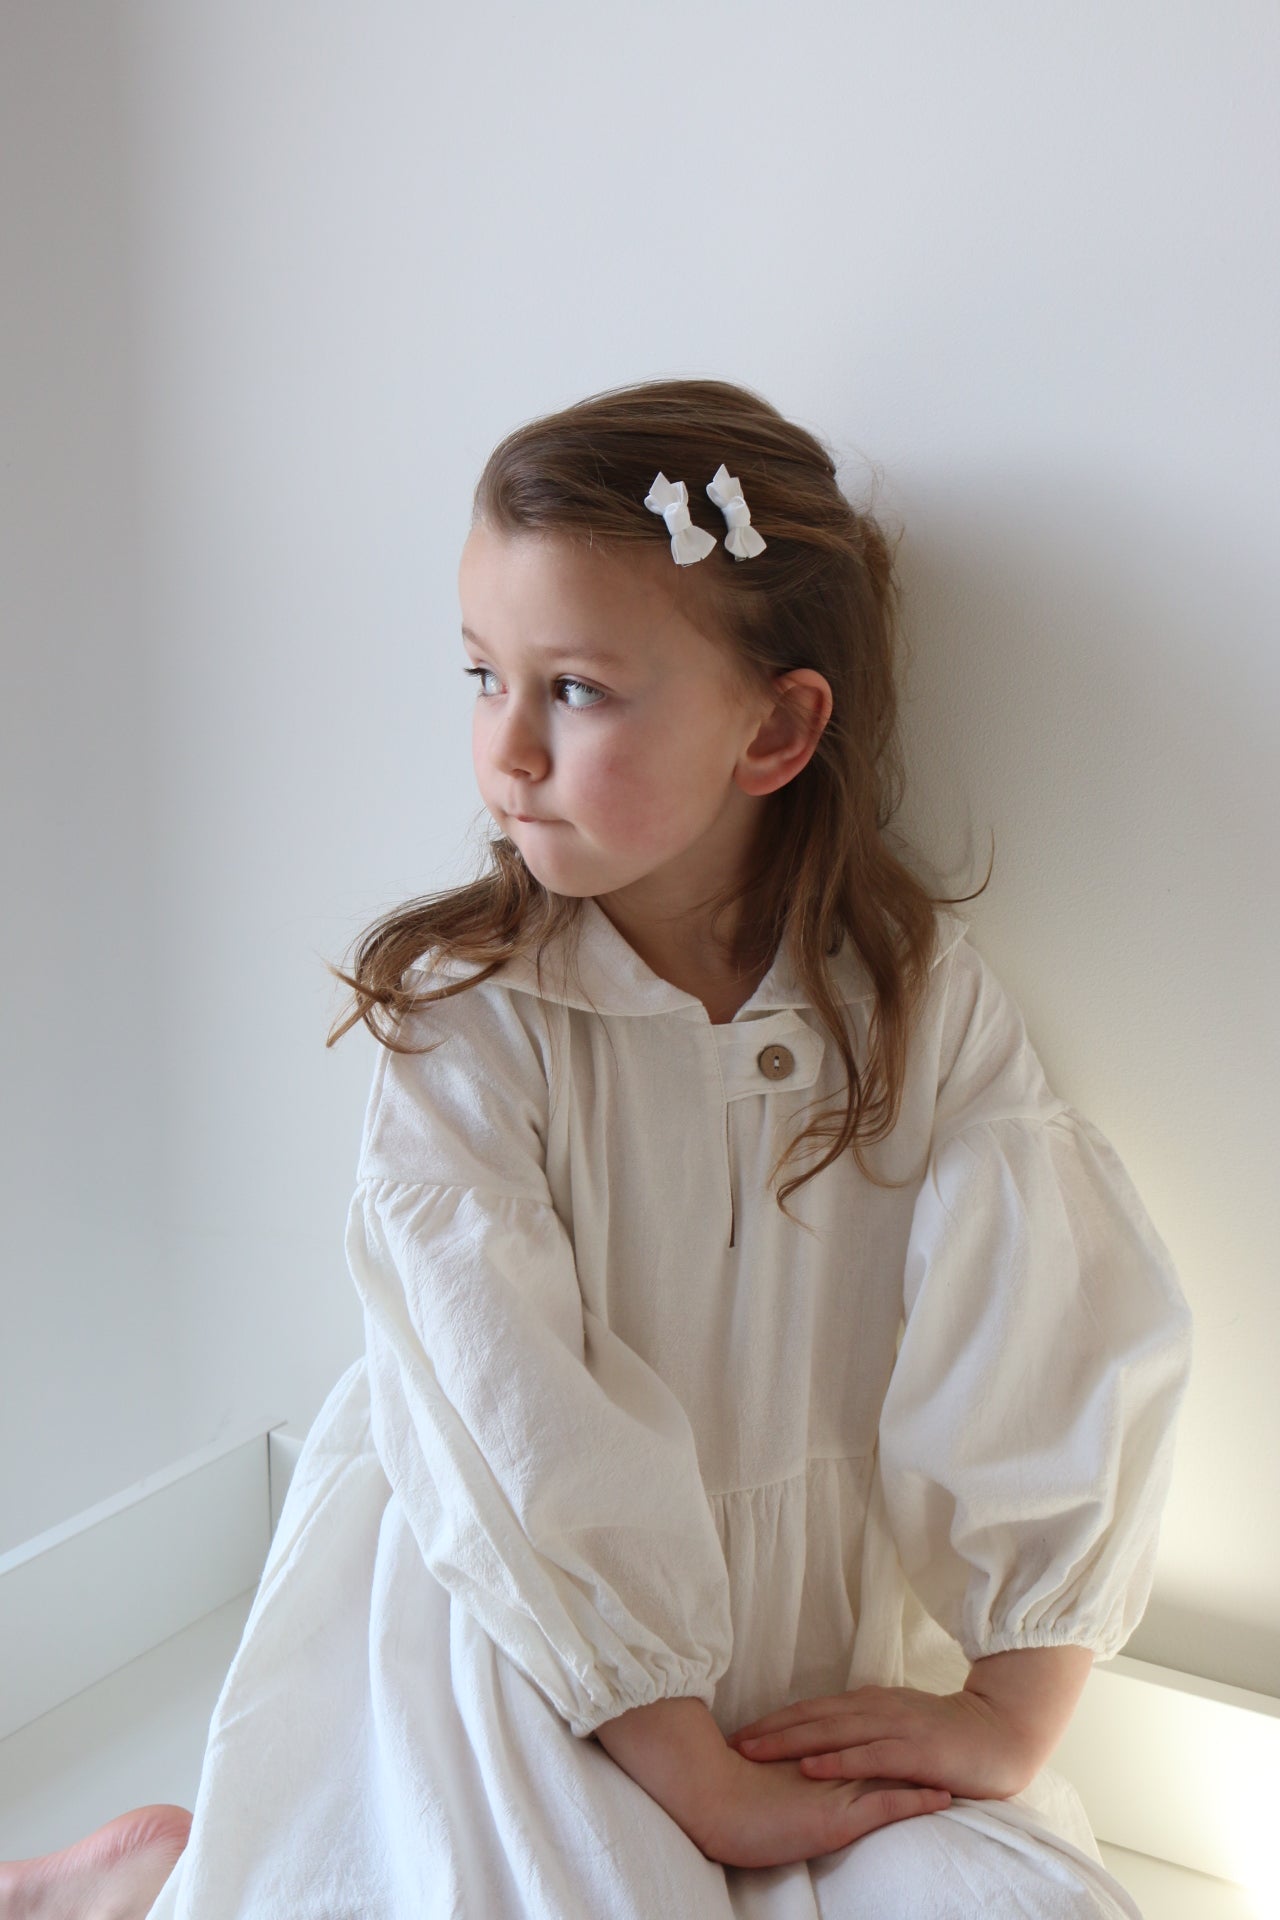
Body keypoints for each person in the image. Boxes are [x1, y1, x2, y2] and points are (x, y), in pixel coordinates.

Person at [1, 378, 1191, 1919]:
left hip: (815, 1642)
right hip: (525, 1648)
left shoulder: (914, 1006)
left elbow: (1042, 1337)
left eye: (574, 690)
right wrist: (699, 1777)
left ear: (777, 727)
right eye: (481, 674)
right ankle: (157, 1879)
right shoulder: (471, 1021)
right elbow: (513, 1413)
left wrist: (1010, 1705)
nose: (506, 749)